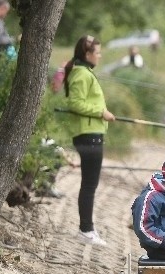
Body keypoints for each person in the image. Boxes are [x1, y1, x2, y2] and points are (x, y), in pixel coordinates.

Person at [64, 35, 116, 246]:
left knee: (89, 184)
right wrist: (100, 112)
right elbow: (75, 104)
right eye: (98, 52)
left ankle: (87, 228)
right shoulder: (81, 74)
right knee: (89, 185)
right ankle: (86, 230)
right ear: (87, 54)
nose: (100, 56)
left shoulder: (84, 72)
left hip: (91, 134)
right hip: (88, 135)